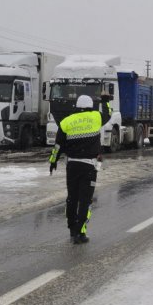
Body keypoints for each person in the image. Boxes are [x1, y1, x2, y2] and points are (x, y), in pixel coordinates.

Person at [49, 94, 111, 244]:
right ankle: (80, 233)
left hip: (72, 166)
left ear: (77, 106)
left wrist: (53, 161)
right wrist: (105, 101)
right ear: (90, 106)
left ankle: (72, 230)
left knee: (72, 198)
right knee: (85, 200)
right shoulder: (96, 117)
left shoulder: (66, 122)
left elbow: (58, 146)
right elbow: (108, 114)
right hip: (89, 166)